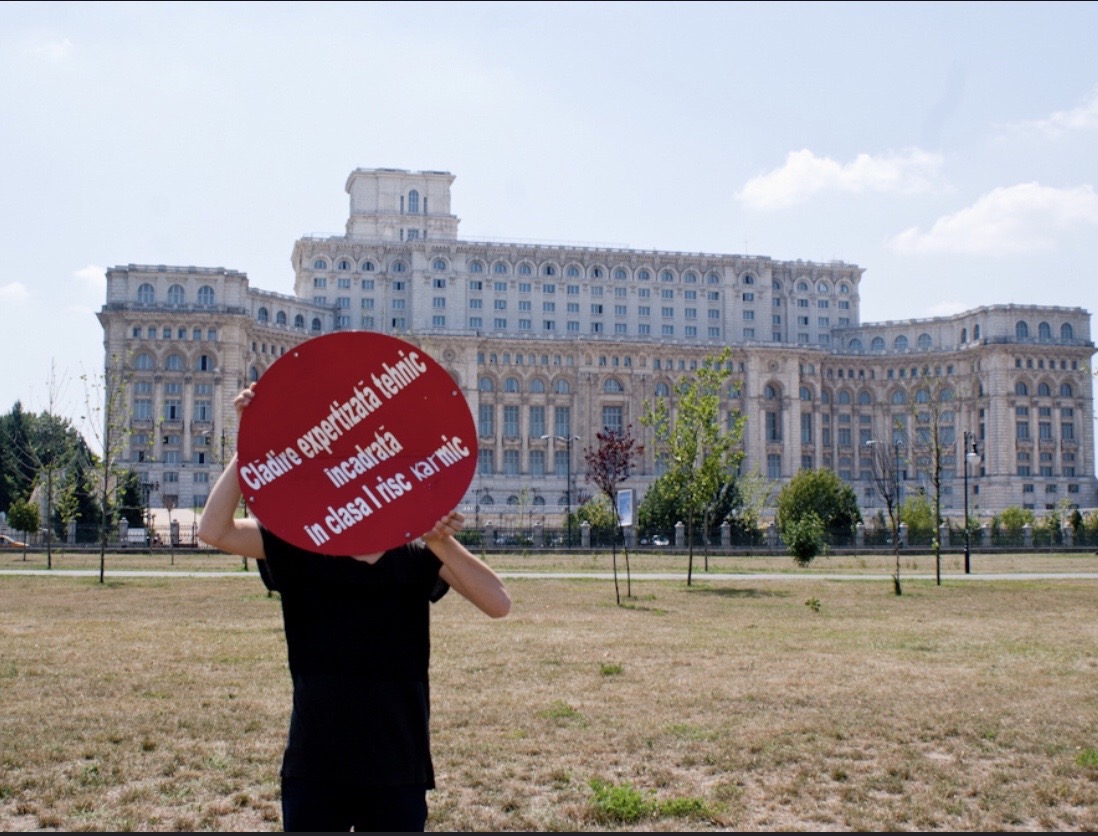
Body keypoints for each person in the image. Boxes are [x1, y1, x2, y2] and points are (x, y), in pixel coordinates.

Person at [198, 385, 511, 832]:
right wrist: (251, 447)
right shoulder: (301, 544)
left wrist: (438, 538)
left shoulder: (417, 554)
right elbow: (215, 530)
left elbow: (498, 603)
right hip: (316, 762)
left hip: (396, 766)